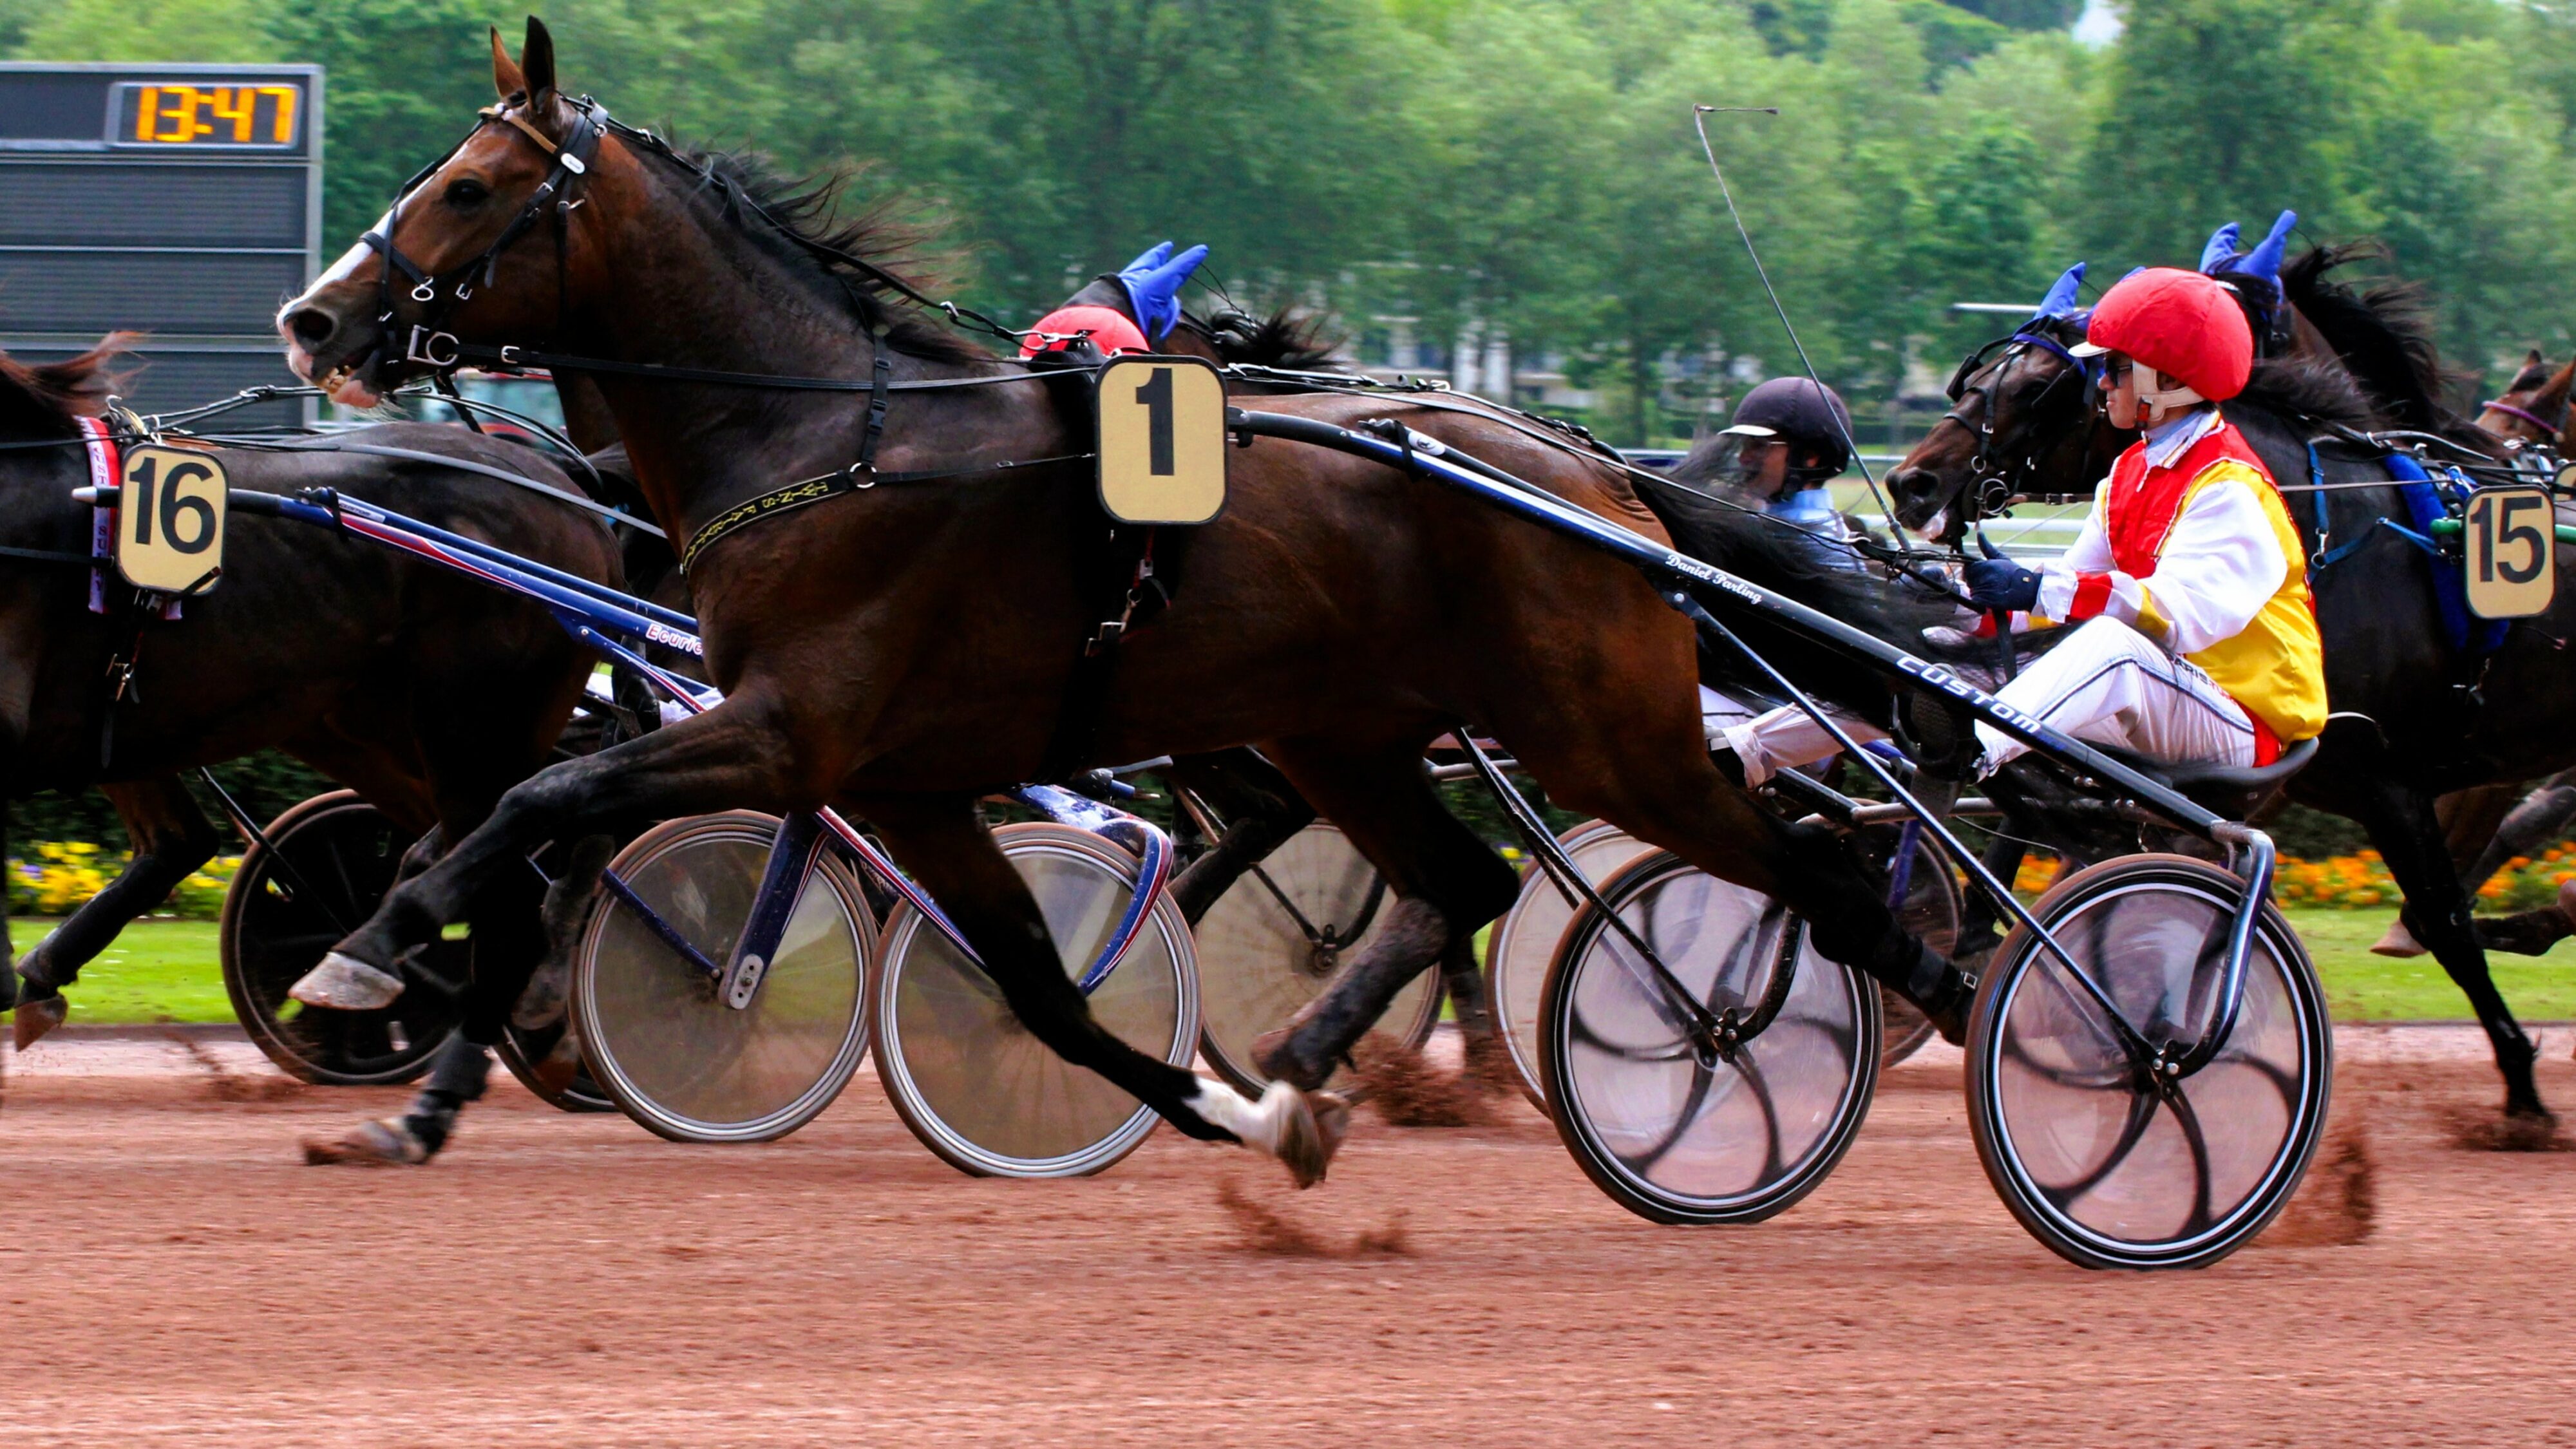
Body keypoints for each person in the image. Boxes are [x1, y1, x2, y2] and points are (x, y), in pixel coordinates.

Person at [1721, 265, 2327, 784]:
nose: (2105, 383)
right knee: (1940, 650)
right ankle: (1746, 754)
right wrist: (1955, 597)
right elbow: (2062, 599)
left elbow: (2175, 620)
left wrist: (2037, 585)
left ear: (2169, 380)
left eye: (2116, 368)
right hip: (2164, 698)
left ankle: (1977, 747)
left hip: (2244, 721)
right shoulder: (2129, 473)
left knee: (2113, 647)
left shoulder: (2229, 488)